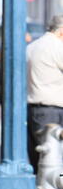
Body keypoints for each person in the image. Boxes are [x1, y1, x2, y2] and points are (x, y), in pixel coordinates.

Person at [27, 14, 63, 173]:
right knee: (55, 163)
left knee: (42, 161)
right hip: (55, 111)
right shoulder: (57, 47)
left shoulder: (32, 47)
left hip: (35, 111)